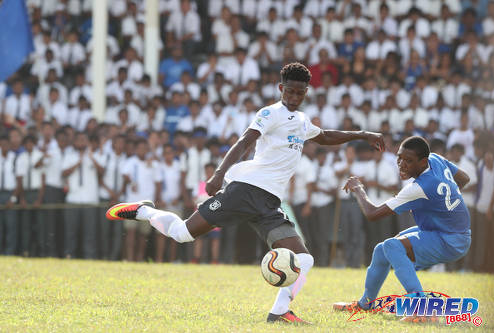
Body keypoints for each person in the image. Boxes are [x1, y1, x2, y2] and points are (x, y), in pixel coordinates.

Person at [106, 63, 384, 324]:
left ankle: (279, 312)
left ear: (306, 93)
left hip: (269, 203)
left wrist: (362, 134)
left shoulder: (301, 120)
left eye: (300, 93)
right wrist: (217, 174)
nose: (294, 96)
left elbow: (324, 136)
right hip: (245, 191)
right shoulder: (270, 113)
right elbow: (244, 141)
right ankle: (144, 210)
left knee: (305, 259)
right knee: (182, 234)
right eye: (289, 91)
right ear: (280, 88)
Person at [333, 136, 471, 323]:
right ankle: (365, 304)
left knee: (392, 246)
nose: (401, 164)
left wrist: (358, 189)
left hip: (451, 239)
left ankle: (422, 310)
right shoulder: (435, 159)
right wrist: (442, 206)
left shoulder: (418, 187)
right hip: (446, 232)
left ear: (423, 162)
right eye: (399, 158)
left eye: (409, 161)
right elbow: (463, 178)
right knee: (381, 250)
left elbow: (372, 214)